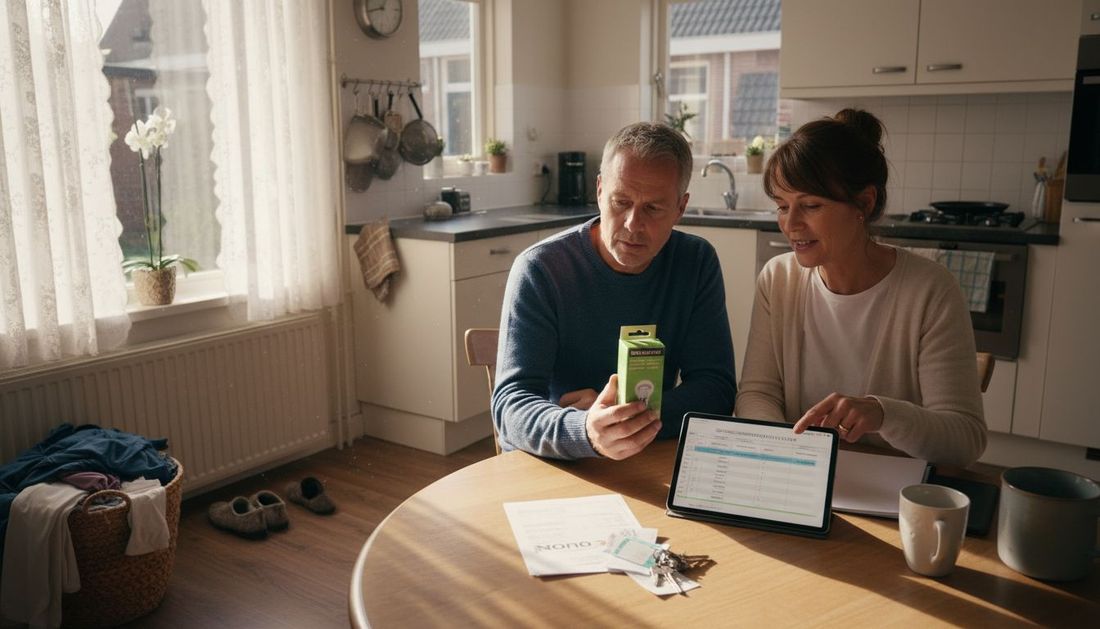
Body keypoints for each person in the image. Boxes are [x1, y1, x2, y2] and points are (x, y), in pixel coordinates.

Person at [735, 109, 987, 467]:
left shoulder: (931, 290)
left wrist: (884, 414)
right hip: (799, 483)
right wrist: (788, 456)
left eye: (810, 205)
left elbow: (966, 439)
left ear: (864, 203)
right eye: (781, 206)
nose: (790, 224)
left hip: (893, 497)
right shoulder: (778, 279)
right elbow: (757, 394)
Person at [492, 122, 738, 460]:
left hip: (651, 458)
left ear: (680, 208)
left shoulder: (695, 263)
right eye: (620, 201)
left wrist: (620, 420)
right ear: (598, 191)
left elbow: (717, 389)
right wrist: (586, 429)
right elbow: (510, 408)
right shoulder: (541, 269)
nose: (633, 224)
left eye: (653, 208)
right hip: (561, 460)